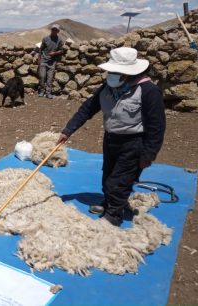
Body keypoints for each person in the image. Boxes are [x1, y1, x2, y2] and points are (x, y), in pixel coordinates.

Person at [57, 47, 166, 227]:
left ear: (128, 72)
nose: (112, 74)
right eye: (111, 71)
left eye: (116, 71)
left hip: (134, 143)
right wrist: (68, 130)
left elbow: (157, 126)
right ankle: (110, 204)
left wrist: (149, 154)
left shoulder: (148, 91)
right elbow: (88, 108)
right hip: (111, 140)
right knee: (108, 176)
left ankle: (113, 216)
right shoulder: (108, 87)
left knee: (119, 181)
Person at [37, 24, 64, 99]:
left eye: (56, 30)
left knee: (50, 78)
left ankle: (48, 93)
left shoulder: (59, 40)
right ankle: (42, 91)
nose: (54, 31)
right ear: (51, 30)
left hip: (52, 61)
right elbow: (40, 49)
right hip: (43, 60)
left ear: (58, 31)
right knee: (42, 77)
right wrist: (39, 59)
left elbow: (62, 51)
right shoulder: (45, 38)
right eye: (53, 29)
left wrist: (54, 53)